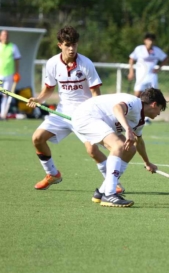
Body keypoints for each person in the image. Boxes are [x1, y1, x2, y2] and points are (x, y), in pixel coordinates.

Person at [26, 26, 124, 193]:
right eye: (67, 45)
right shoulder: (52, 64)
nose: (71, 49)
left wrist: (98, 117)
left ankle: (112, 182)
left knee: (92, 150)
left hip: (85, 114)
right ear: (60, 45)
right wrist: (38, 99)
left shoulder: (86, 64)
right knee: (37, 138)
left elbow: (95, 93)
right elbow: (49, 88)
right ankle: (52, 174)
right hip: (62, 112)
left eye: (74, 44)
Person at [71, 89, 167, 207]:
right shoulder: (134, 102)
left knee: (130, 149)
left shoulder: (140, 121)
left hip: (100, 121)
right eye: (160, 109)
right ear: (154, 104)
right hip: (87, 116)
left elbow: (139, 142)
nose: (159, 113)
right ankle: (110, 194)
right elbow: (117, 108)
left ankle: (101, 192)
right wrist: (127, 129)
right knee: (118, 146)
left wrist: (147, 163)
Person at [127, 32, 169, 97]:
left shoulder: (157, 50)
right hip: (141, 75)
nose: (150, 42)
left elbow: (166, 58)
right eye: (149, 40)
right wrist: (131, 72)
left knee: (154, 94)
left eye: (152, 40)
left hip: (152, 75)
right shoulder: (139, 49)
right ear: (145, 40)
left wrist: (159, 68)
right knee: (137, 94)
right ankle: (135, 106)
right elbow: (131, 59)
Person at [0, 30, 21, 119]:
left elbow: (17, 60)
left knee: (5, 94)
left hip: (9, 74)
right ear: (0, 36)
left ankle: (3, 114)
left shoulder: (13, 47)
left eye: (7, 35)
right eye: (4, 35)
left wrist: (16, 73)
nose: (6, 37)